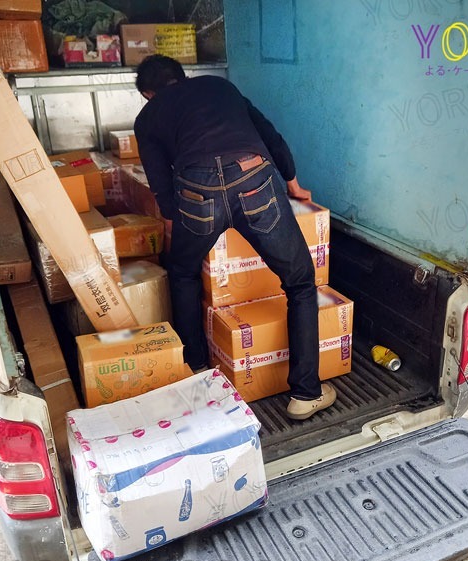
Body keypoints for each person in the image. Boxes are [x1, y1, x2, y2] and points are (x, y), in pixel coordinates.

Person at [134, 55, 336, 420]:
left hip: (197, 193)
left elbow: (159, 180)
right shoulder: (219, 86)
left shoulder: (148, 117)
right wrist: (293, 184)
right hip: (254, 181)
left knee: (183, 273)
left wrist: (172, 223)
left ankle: (197, 373)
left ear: (148, 93)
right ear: (184, 76)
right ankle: (305, 394)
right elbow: (270, 136)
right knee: (300, 282)